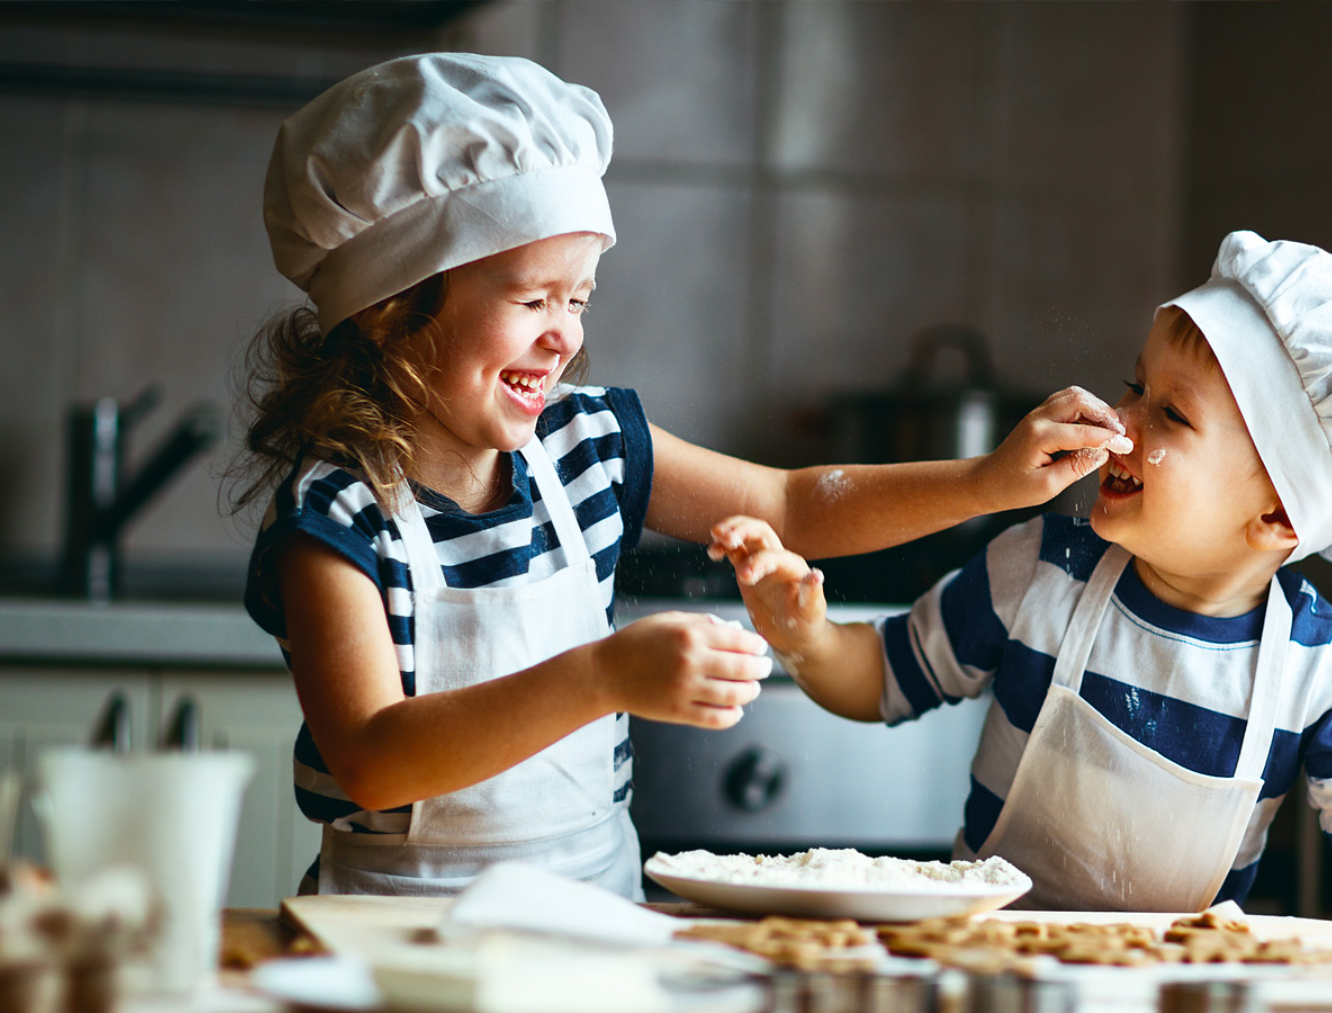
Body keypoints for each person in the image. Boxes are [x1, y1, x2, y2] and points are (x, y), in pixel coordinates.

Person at [233, 53, 1131, 899]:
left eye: (578, 298)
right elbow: (369, 755)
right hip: (390, 938)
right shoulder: (336, 513)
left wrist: (986, 482)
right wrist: (599, 676)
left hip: (593, 921)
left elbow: (792, 502)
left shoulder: (589, 445)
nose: (566, 335)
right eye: (532, 297)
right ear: (393, 308)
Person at [710, 231, 1332, 931]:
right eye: (1133, 386)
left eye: (1170, 415)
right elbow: (881, 678)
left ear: (1279, 512)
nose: (1121, 421)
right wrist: (805, 636)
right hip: (984, 973)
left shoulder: (1322, 673)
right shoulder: (1040, 569)